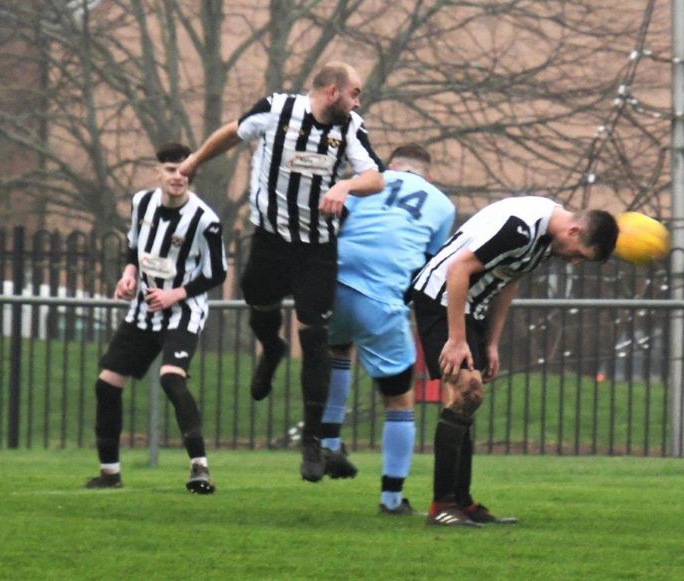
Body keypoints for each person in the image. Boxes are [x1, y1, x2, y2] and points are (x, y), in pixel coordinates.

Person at [179, 62, 384, 482]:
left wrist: (344, 186)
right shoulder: (276, 109)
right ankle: (270, 349)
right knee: (260, 307)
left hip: (317, 250)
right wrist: (196, 160)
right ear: (331, 91)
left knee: (315, 341)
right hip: (271, 241)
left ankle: (311, 441)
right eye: (354, 93)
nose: (357, 102)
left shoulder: (349, 128)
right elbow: (232, 132)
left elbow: (376, 177)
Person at [410, 197, 618, 526]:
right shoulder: (519, 229)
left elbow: (509, 281)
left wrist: (491, 343)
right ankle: (443, 505)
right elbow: (458, 268)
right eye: (579, 254)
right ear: (575, 231)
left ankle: (463, 503)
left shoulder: (547, 239)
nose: (574, 262)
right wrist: (456, 339)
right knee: (466, 391)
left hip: (472, 307)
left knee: (471, 399)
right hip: (441, 298)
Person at [319, 143, 455, 515]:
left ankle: (329, 442)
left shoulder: (366, 182)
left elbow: (334, 223)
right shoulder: (442, 204)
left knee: (337, 350)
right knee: (398, 399)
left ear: (391, 166)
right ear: (428, 176)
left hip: (335, 283)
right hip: (381, 298)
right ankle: (391, 499)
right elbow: (431, 265)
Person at [85, 142, 227, 494]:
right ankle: (110, 473)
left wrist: (174, 295)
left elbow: (217, 273)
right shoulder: (141, 203)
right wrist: (129, 275)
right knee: (106, 384)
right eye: (170, 170)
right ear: (157, 172)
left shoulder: (205, 220)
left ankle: (199, 468)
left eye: (184, 171)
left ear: (192, 174)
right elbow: (135, 246)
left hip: (182, 310)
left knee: (170, 379)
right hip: (145, 309)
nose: (177, 177)